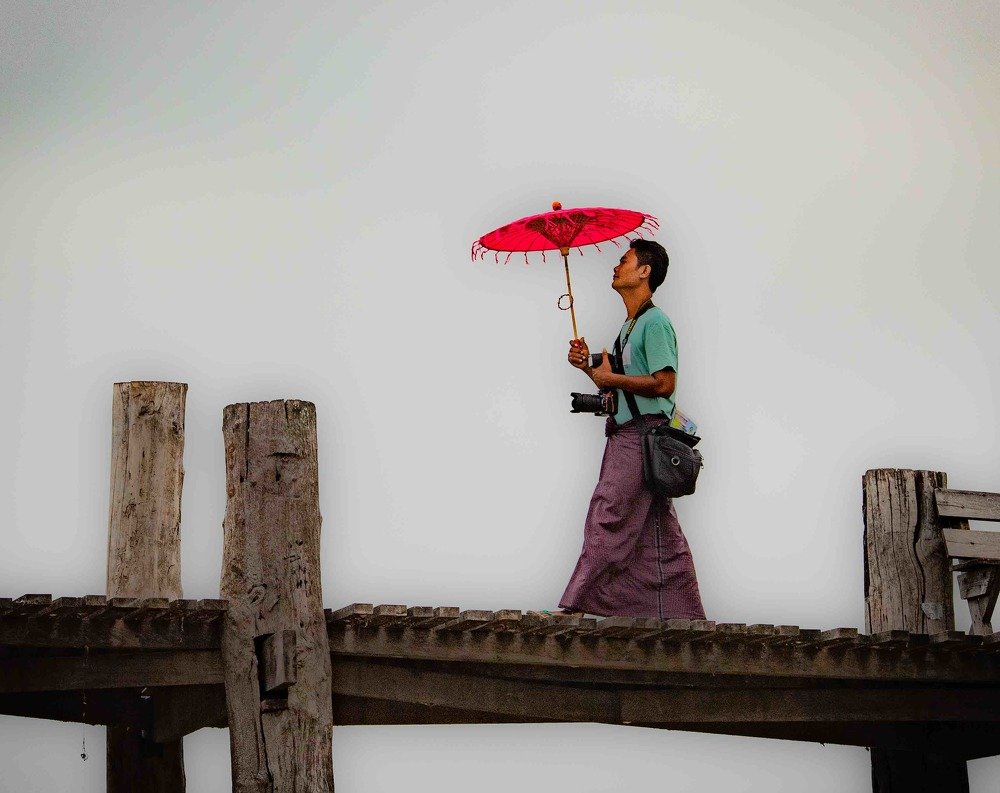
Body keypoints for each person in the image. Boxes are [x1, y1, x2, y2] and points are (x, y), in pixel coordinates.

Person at [554, 239, 706, 620]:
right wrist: (591, 370)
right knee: (660, 536)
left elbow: (663, 383)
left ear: (644, 272)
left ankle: (574, 606)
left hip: (640, 438)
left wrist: (612, 378)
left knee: (609, 513)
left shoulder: (655, 322)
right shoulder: (630, 327)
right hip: (635, 434)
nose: (615, 266)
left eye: (624, 260)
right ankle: (685, 617)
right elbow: (618, 385)